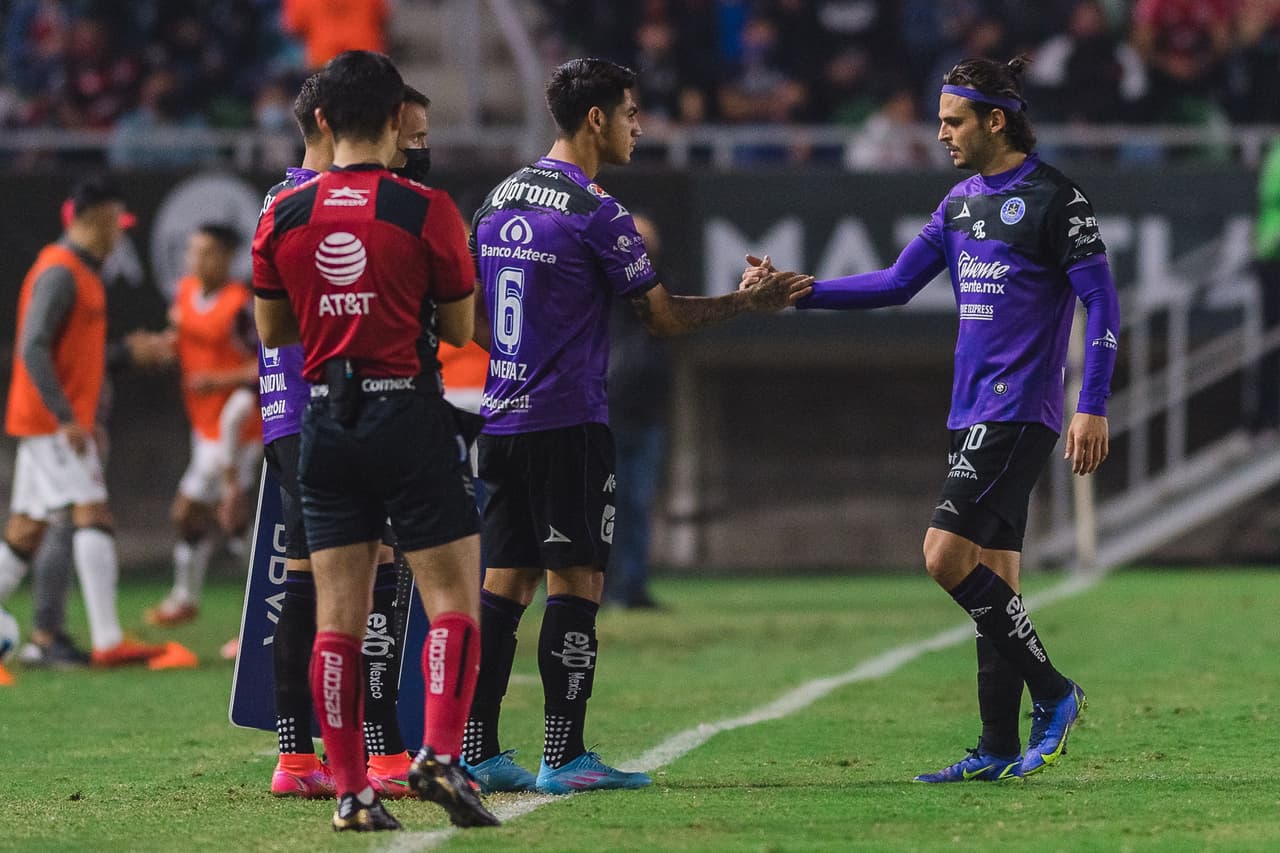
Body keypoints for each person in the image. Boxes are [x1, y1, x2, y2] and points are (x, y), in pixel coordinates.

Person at [747, 56, 1118, 783]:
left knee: (944, 556)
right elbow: (893, 281)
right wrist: (798, 291)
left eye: (953, 120)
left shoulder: (1055, 198)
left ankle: (1056, 692)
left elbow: (1102, 304)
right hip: (969, 409)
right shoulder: (959, 205)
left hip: (1019, 411)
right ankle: (997, 745)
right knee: (995, 579)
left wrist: (1092, 403)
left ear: (995, 120)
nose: (941, 133)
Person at [461, 57, 810, 796]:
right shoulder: (597, 213)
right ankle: (565, 754)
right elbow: (663, 318)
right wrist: (748, 303)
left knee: (504, 581)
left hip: (500, 417)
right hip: (566, 421)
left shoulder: (498, 197)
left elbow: (471, 316)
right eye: (629, 112)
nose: (637, 125)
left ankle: (479, 748)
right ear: (596, 119)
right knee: (579, 578)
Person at [253, 50, 498, 831]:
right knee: (455, 594)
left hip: (325, 417)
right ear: (398, 121)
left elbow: (273, 331)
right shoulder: (426, 209)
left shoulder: (281, 214)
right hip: (408, 412)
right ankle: (439, 755)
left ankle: (351, 789)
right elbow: (460, 329)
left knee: (337, 616)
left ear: (321, 121)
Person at [253, 74, 432, 801]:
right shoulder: (315, 202)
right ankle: (368, 751)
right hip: (323, 409)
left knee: (319, 583)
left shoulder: (283, 198)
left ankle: (311, 756)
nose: (403, 147)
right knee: (358, 581)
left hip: (299, 411)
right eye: (398, 130)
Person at [0, 176, 167, 670]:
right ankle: (109, 638)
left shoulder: (83, 273)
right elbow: (31, 347)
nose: (121, 232)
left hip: (53, 421)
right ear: (95, 218)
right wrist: (67, 417)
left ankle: (64, 636)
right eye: (117, 221)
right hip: (52, 422)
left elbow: (77, 358)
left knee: (27, 530)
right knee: (92, 513)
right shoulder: (61, 271)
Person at [145, 224, 261, 626]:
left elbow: (266, 362)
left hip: (238, 429)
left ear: (228, 257)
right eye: (193, 251)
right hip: (204, 424)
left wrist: (220, 381)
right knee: (223, 520)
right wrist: (163, 346)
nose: (196, 260)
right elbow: (181, 338)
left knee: (195, 512)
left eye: (207, 252)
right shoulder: (185, 294)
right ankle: (197, 599)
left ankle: (256, 604)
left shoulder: (239, 306)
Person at [604, 213, 669, 609]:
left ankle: (631, 587)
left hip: (646, 413)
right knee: (593, 505)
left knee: (636, 504)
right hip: (606, 408)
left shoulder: (661, 287)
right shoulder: (606, 286)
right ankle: (581, 586)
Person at [1252, 135, 1280, 433]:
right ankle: (1266, 417)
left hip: (1270, 251)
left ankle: (1266, 416)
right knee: (1273, 342)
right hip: (1275, 255)